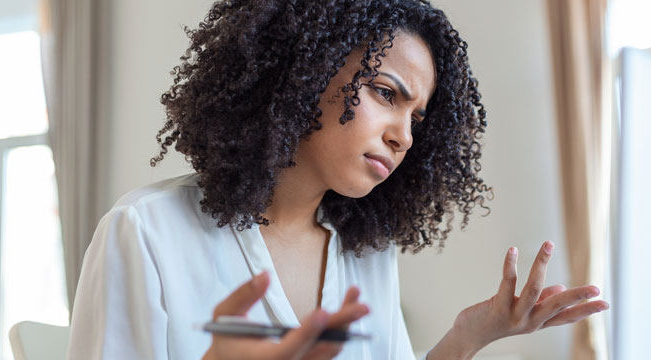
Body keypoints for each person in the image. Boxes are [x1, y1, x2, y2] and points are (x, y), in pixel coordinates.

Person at [67, 0, 609, 359]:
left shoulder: (366, 257)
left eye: (417, 119)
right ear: (308, 69)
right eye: (386, 93)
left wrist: (469, 337)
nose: (405, 137)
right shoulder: (146, 232)